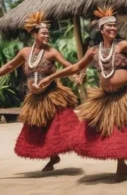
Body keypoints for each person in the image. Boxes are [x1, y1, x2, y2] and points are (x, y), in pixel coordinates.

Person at [37, 6, 127, 182]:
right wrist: (51, 76)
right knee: (103, 130)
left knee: (123, 129)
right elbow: (75, 67)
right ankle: (122, 165)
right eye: (109, 26)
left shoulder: (123, 45)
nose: (113, 29)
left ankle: (122, 166)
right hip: (105, 97)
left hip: (125, 94)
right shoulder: (94, 51)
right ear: (101, 29)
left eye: (114, 25)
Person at [0, 12, 80, 172]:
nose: (47, 36)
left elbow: (68, 66)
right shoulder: (25, 52)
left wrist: (75, 76)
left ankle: (63, 151)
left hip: (52, 95)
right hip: (35, 98)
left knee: (58, 126)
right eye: (43, 33)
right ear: (34, 34)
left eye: (48, 34)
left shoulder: (52, 52)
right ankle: (53, 156)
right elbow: (9, 66)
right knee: (40, 128)